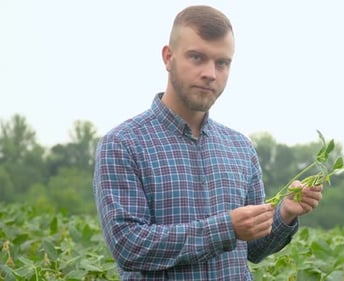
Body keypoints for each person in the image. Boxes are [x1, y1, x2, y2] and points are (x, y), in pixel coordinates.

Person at [93, 5, 323, 280]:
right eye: (197, 57)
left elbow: (253, 249)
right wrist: (227, 228)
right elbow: (128, 245)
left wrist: (285, 213)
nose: (210, 73)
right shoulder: (123, 144)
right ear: (168, 57)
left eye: (221, 63)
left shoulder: (240, 148)